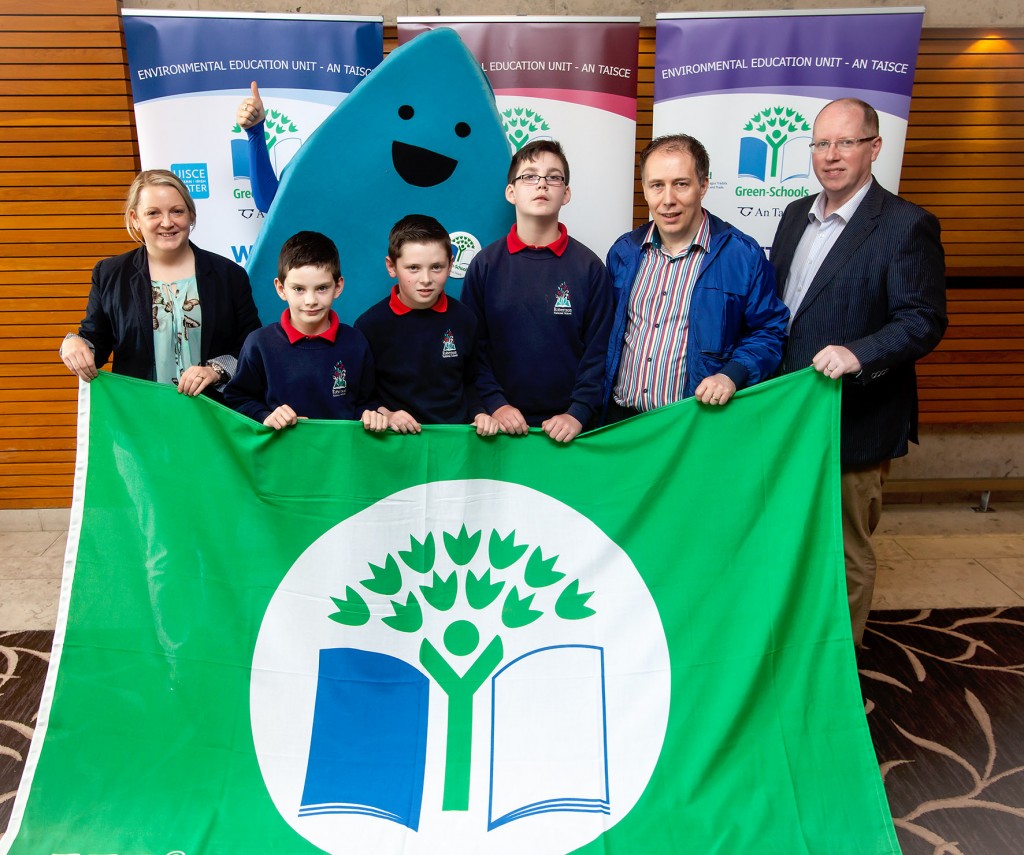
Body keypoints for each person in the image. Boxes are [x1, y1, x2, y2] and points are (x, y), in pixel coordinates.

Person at [770, 98, 947, 646]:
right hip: (789, 417)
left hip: (856, 422)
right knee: (792, 541)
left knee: (846, 551)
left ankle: (837, 673)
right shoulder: (796, 213)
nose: (831, 155)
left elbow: (923, 321)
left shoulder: (905, 225)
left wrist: (859, 353)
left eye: (845, 142)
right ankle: (799, 650)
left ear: (874, 146)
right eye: (822, 143)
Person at [603, 135, 788, 422]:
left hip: (693, 425)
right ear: (645, 189)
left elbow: (769, 332)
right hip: (622, 422)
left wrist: (731, 376)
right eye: (657, 186)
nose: (668, 200)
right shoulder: (623, 252)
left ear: (703, 185)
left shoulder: (743, 256)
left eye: (681, 184)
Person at [460, 140, 613, 443]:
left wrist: (578, 412)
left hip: (570, 430)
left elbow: (599, 353)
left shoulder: (590, 268)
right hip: (498, 427)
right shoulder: (485, 266)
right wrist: (495, 404)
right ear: (511, 192)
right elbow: (472, 350)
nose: (541, 184)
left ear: (565, 193)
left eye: (553, 177)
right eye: (529, 176)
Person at [59, 169, 260, 398]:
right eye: (153, 213)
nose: (167, 222)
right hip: (141, 417)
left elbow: (250, 345)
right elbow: (95, 342)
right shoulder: (110, 274)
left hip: (213, 415)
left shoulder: (229, 275)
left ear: (191, 215)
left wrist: (216, 371)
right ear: (135, 219)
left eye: (177, 211)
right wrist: (74, 344)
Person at [224, 231, 387, 432]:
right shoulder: (260, 343)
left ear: (338, 286)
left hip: (340, 457)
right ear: (281, 288)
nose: (310, 300)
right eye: (299, 289)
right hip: (283, 457)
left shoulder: (355, 342)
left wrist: (369, 414)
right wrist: (265, 416)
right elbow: (237, 399)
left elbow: (366, 401)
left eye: (322, 288)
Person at [354, 215, 499, 436]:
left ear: (451, 264)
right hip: (396, 442)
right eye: (413, 268)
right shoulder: (369, 326)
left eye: (436, 267)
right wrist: (387, 415)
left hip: (453, 442)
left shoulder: (465, 319)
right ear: (391, 267)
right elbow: (362, 399)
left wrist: (479, 413)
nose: (425, 279)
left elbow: (471, 382)